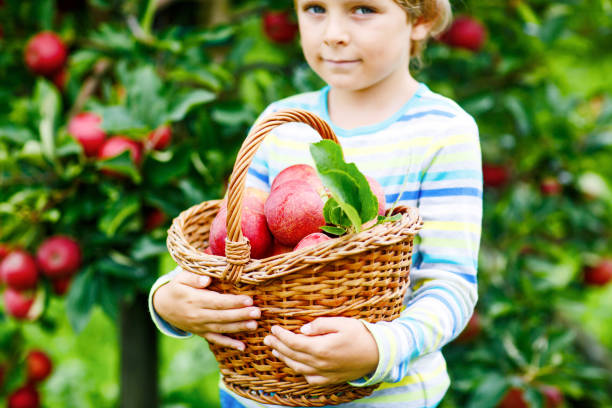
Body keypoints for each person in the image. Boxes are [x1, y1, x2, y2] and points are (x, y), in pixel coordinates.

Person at [149, 0, 482, 406]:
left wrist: (381, 348)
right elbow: (231, 242)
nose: (333, 33)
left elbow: (450, 284)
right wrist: (169, 297)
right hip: (259, 394)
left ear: (422, 19)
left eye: (362, 10)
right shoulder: (282, 123)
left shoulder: (442, 133)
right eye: (315, 8)